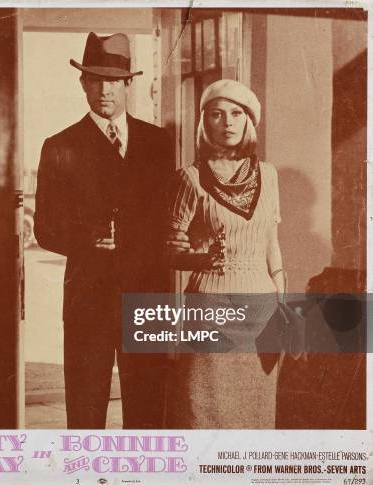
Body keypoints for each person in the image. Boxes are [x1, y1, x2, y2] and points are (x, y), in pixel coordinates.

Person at [34, 32, 177, 429]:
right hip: (87, 299)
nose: (104, 90)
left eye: (114, 81)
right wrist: (87, 237)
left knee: (148, 403)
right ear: (82, 83)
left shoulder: (158, 143)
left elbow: (168, 217)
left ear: (128, 84)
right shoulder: (59, 145)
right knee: (85, 407)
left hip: (147, 294)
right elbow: (44, 228)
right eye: (95, 79)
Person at [166, 79, 285, 428]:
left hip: (262, 310)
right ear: (205, 122)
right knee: (204, 413)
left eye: (236, 113)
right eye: (217, 114)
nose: (228, 122)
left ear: (249, 120)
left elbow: (271, 244)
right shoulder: (189, 178)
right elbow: (170, 252)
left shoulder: (269, 175)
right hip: (210, 306)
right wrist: (201, 260)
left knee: (256, 415)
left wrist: (283, 300)